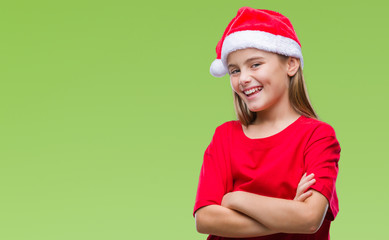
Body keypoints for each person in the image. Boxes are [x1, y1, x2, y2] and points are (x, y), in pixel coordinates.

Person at [193, 7, 341, 240]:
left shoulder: (318, 137)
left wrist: (236, 199)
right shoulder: (225, 137)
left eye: (255, 65)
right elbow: (205, 219)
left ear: (291, 64)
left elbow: (310, 219)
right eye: (234, 70)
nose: (243, 79)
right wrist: (289, 214)